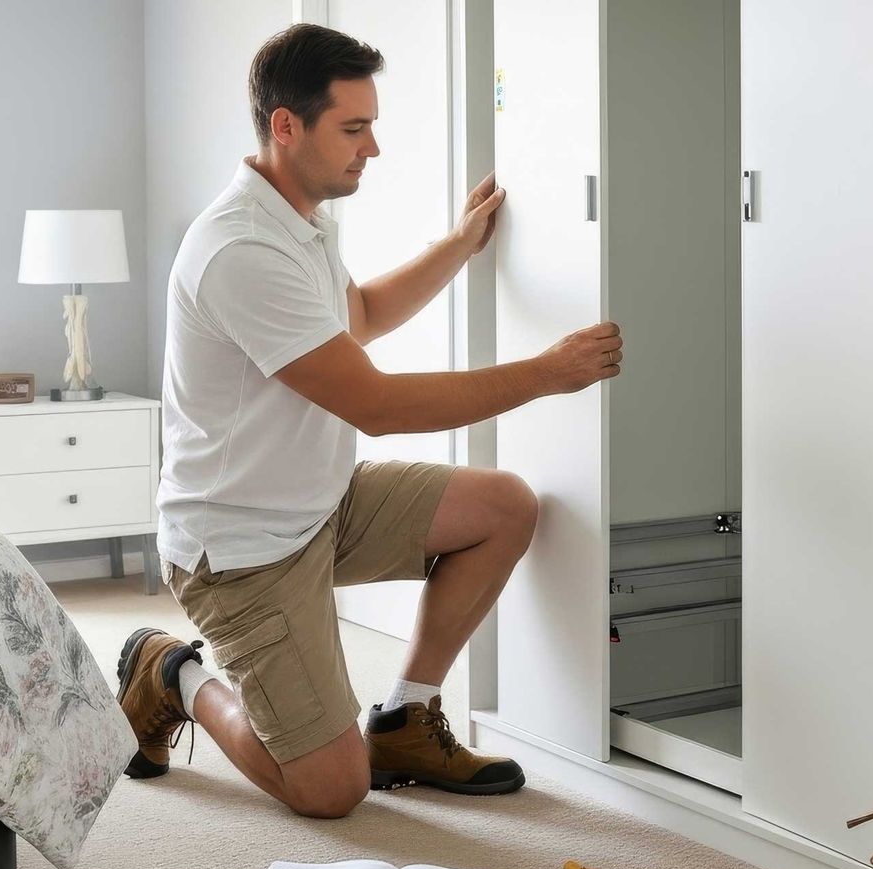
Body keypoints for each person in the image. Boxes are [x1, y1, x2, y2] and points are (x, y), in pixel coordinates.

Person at [117, 23, 623, 819]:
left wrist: (459, 245)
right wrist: (545, 373)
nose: (373, 148)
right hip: (240, 550)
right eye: (354, 128)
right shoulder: (239, 249)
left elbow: (360, 314)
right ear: (286, 125)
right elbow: (377, 406)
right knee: (331, 789)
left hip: (321, 504)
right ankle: (172, 674)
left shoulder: (302, 217)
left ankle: (405, 720)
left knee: (503, 507)